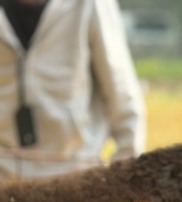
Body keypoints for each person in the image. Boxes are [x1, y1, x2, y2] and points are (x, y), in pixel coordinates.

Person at [0, 0, 145, 181]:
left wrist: (124, 183)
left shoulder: (90, 5)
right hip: (4, 181)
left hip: (75, 185)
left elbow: (123, 99)